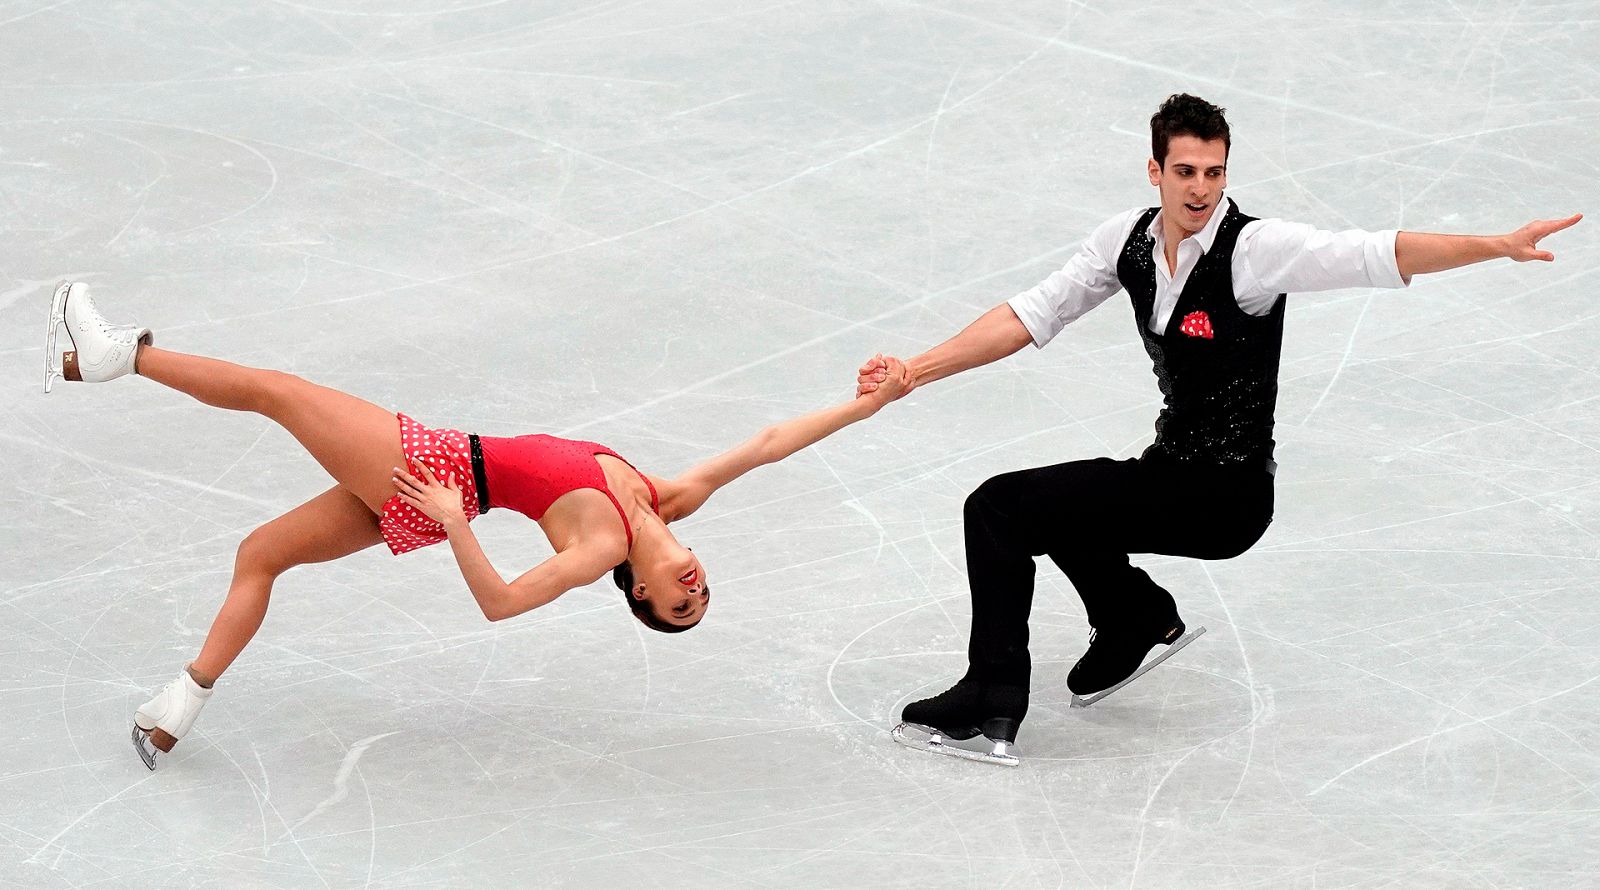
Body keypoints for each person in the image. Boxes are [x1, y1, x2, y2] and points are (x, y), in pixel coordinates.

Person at [856, 93, 1582, 765]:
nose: (1200, 188)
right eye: (1184, 171)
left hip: (1226, 496)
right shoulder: (1127, 243)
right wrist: (915, 369)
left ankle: (993, 694)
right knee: (1061, 504)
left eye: (1213, 171)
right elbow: (1027, 316)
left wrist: (1495, 243)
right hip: (1167, 469)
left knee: (999, 507)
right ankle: (1132, 615)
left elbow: (1374, 253)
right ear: (1155, 170)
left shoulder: (1255, 249)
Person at [42, 281, 911, 768]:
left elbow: (499, 603)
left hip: (436, 475)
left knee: (278, 391)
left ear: (637, 591)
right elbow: (767, 444)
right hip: (435, 494)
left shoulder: (602, 542)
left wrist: (456, 520)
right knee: (260, 555)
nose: (694, 591)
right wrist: (862, 408)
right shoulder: (663, 496)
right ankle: (177, 707)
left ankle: (124, 354)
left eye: (678, 609)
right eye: (703, 594)